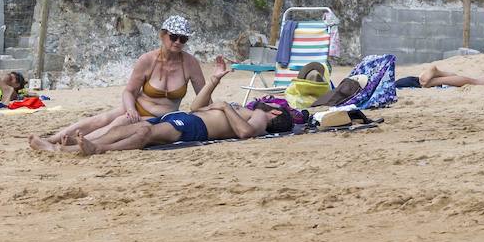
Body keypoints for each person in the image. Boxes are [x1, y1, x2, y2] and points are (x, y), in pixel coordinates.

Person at [31, 57, 292, 155]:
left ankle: (91, 149)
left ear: (275, 112)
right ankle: (66, 143)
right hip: (188, 118)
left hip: (194, 128)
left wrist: (224, 107)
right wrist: (213, 81)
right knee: (125, 124)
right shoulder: (245, 111)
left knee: (144, 133)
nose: (266, 102)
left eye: (271, 104)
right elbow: (198, 106)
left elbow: (245, 134)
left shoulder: (259, 117)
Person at [38, 16, 205, 148]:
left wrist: (216, 81)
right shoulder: (147, 60)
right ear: (163, 35)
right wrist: (131, 109)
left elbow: (203, 98)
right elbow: (129, 91)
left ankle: (78, 141)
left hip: (161, 116)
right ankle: (53, 139)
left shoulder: (190, 64)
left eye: (183, 39)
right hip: (136, 107)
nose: (177, 42)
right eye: (174, 36)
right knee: (101, 119)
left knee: (118, 123)